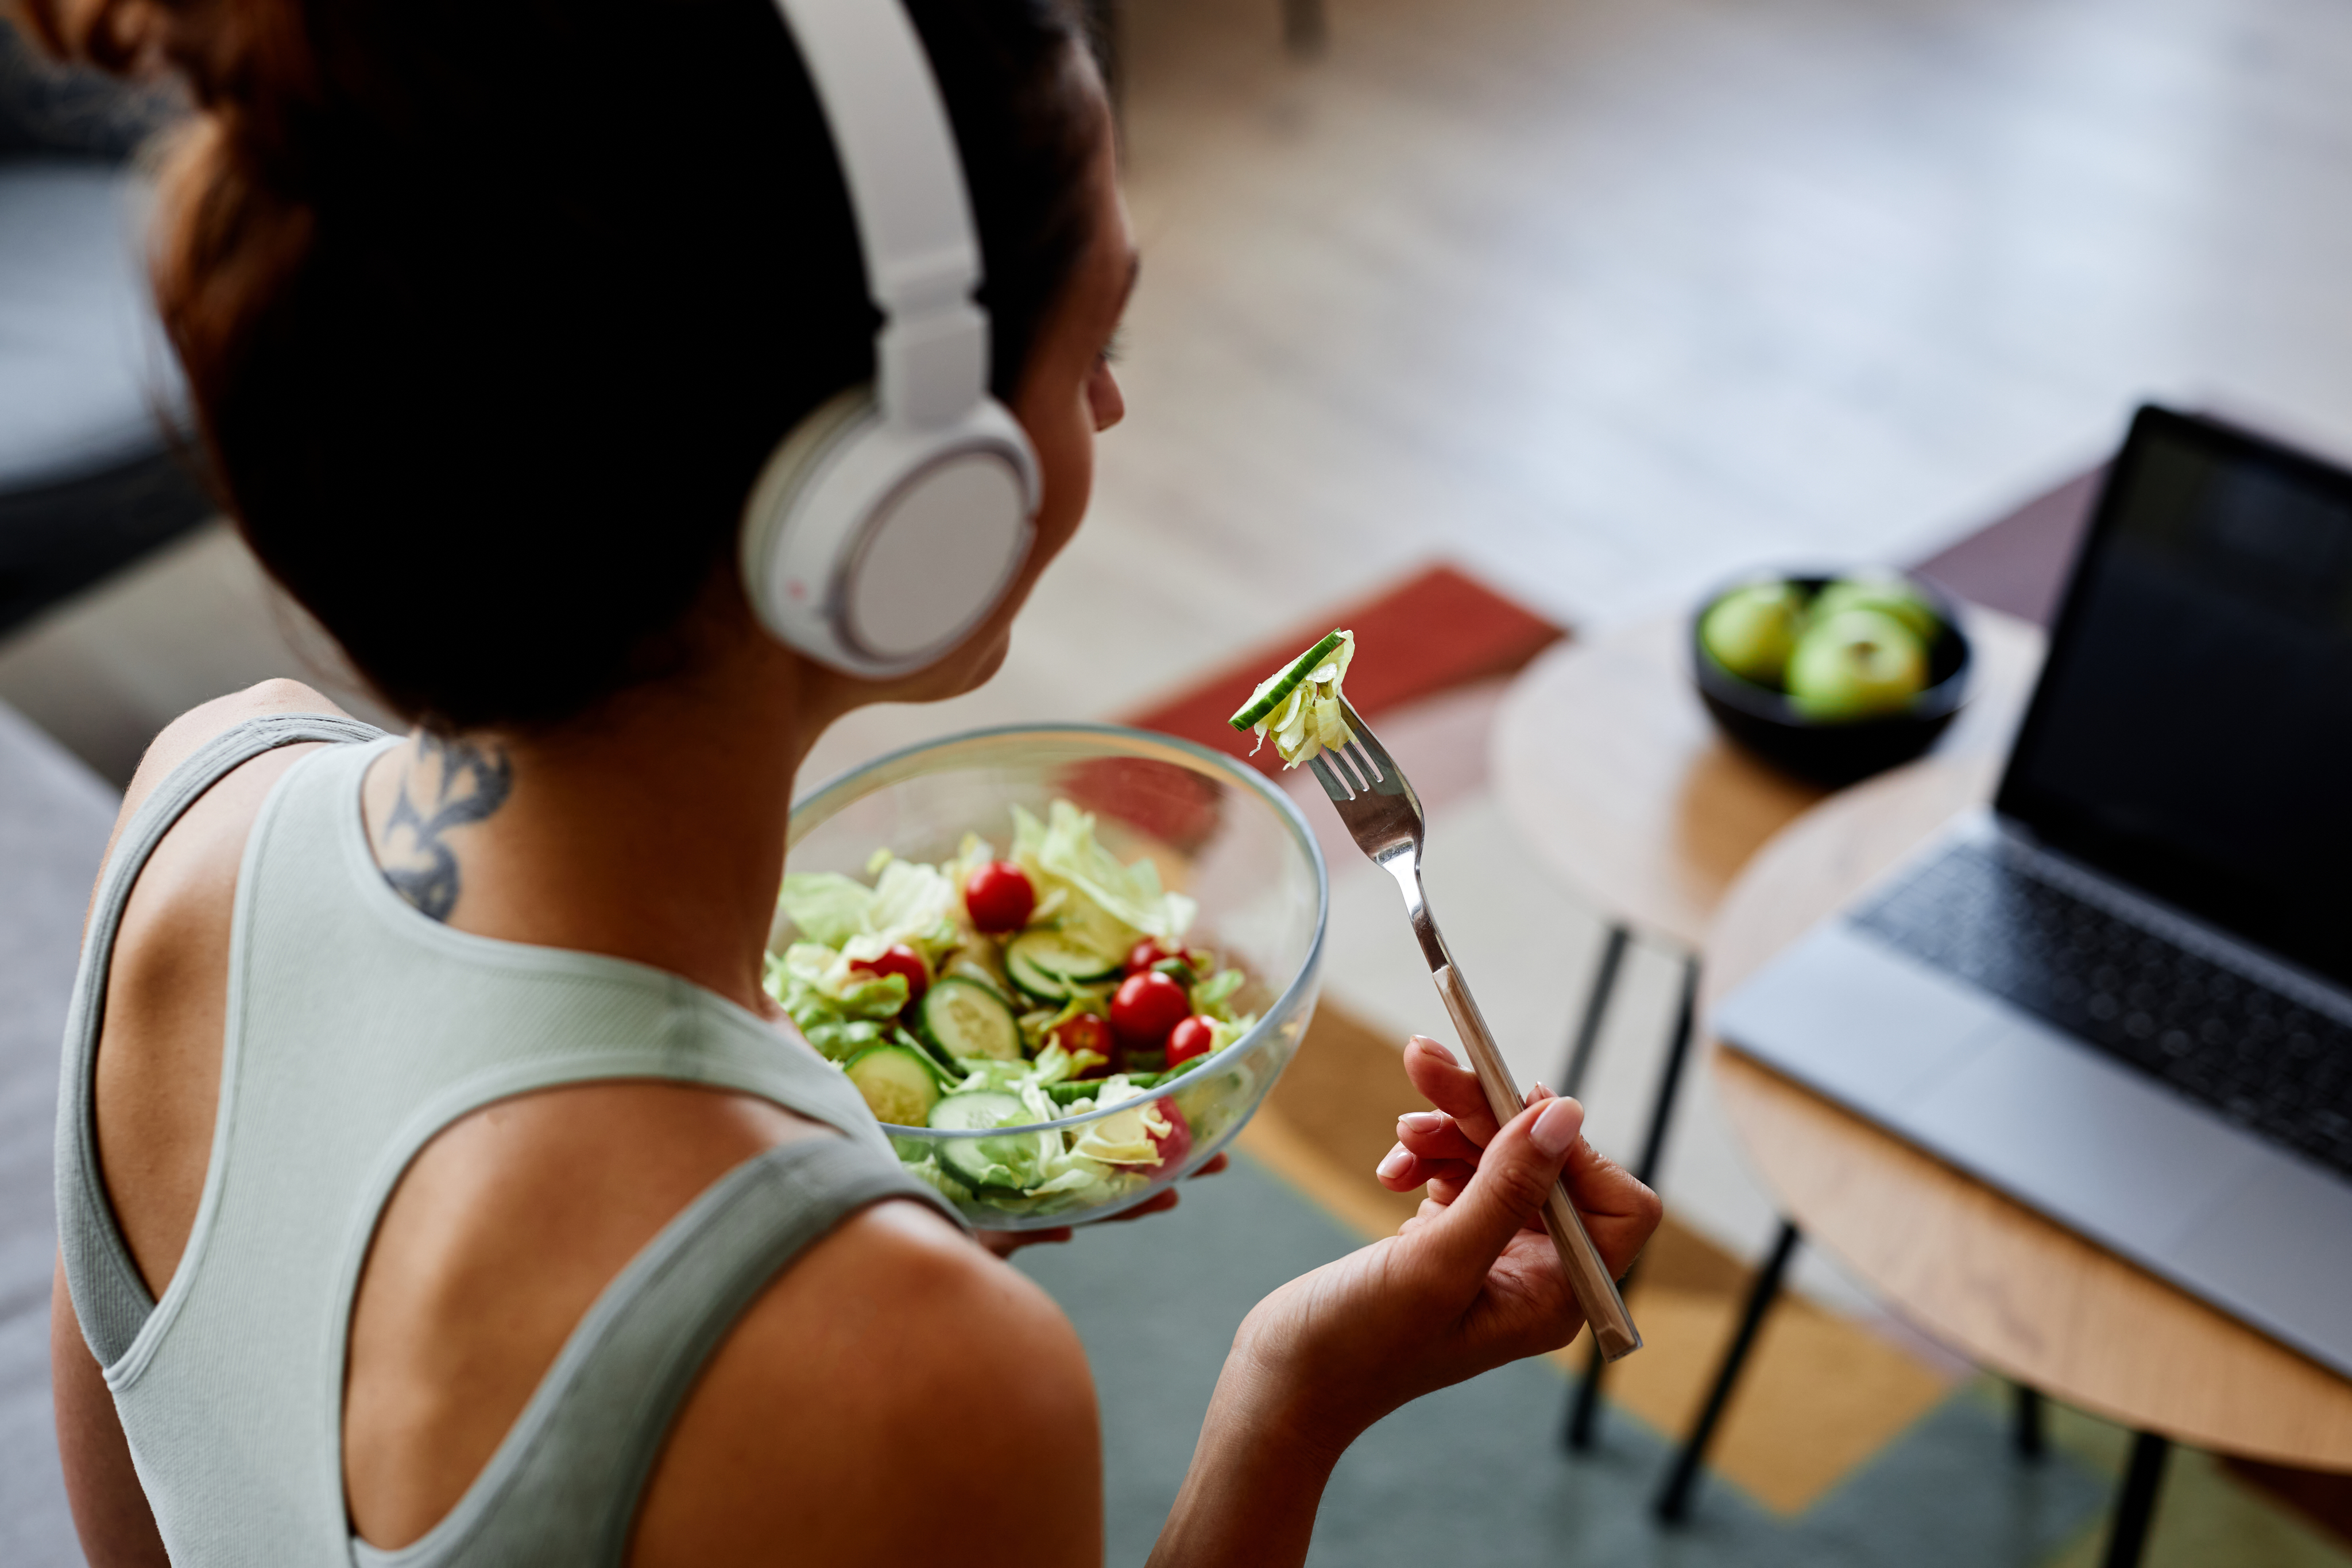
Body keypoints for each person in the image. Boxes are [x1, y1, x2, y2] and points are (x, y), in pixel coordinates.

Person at [25, 0, 1662, 1562]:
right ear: (902, 496)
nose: (1110, 403)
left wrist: (820, 1206)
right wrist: (1290, 1406)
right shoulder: (905, 1373)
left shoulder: (195, 809)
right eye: (1093, 338)